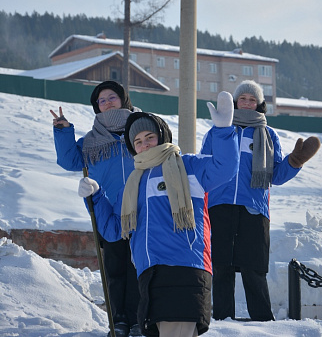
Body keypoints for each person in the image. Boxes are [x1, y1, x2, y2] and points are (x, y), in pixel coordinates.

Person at [77, 91, 240, 337]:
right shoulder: (133, 184)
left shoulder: (188, 167)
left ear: (162, 136)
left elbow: (225, 168)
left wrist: (223, 131)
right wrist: (96, 197)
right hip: (149, 276)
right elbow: (113, 231)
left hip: (183, 270)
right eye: (138, 141)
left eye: (149, 137)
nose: (144, 144)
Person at [200, 80, 321, 322]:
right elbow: (205, 165)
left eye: (251, 99)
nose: (246, 102)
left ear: (259, 104)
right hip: (219, 206)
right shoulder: (219, 131)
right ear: (235, 102)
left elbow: (275, 175)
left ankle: (264, 322)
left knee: (254, 268)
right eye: (242, 98)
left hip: (253, 209)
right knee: (221, 266)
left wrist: (294, 162)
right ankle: (222, 321)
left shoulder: (268, 135)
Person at [50, 80, 141, 337]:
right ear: (97, 107)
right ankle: (119, 321)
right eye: (102, 100)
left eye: (112, 96)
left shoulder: (141, 130)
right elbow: (69, 160)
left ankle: (138, 320)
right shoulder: (91, 141)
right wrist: (64, 131)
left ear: (123, 99)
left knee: (138, 268)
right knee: (115, 270)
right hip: (107, 210)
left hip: (142, 210)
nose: (107, 102)